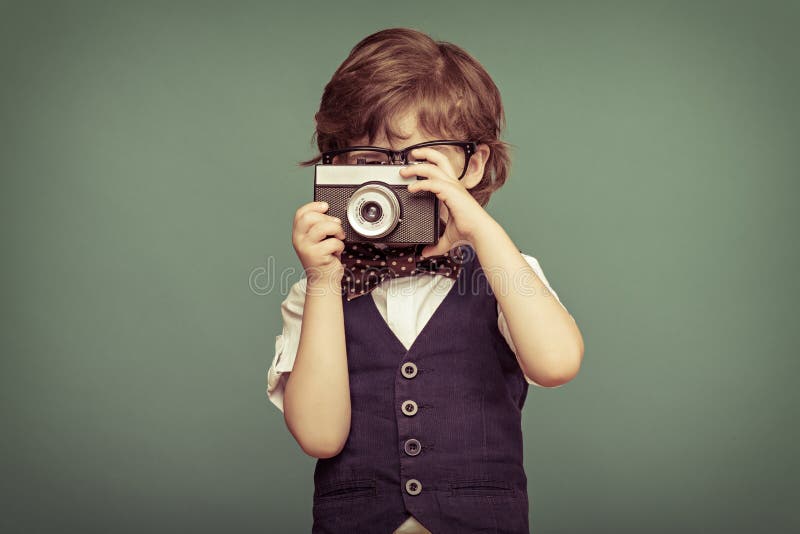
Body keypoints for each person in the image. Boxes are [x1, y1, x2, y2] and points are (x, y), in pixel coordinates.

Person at [266, 27, 584, 534]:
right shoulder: (317, 288)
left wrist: (480, 230)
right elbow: (320, 437)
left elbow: (557, 364)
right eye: (367, 163)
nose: (393, 182)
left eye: (419, 162)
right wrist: (324, 281)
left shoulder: (503, 273)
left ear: (472, 164)